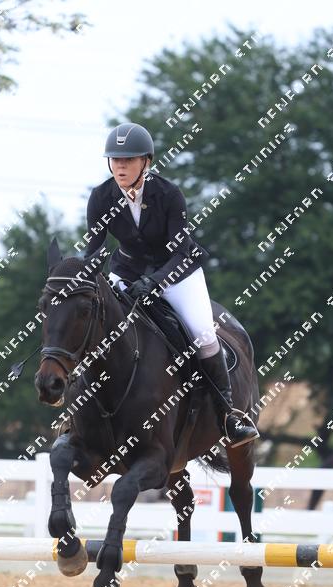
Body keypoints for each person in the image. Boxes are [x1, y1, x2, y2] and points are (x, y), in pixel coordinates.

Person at [83, 122, 258, 447]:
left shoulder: (168, 195)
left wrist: (155, 282)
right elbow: (94, 251)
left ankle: (229, 416)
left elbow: (179, 251)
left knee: (203, 334)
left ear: (146, 161)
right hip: (128, 272)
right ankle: (81, 416)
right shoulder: (101, 197)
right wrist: (83, 281)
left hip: (177, 273)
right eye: (115, 160)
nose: (120, 166)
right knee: (98, 330)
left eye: (128, 159)